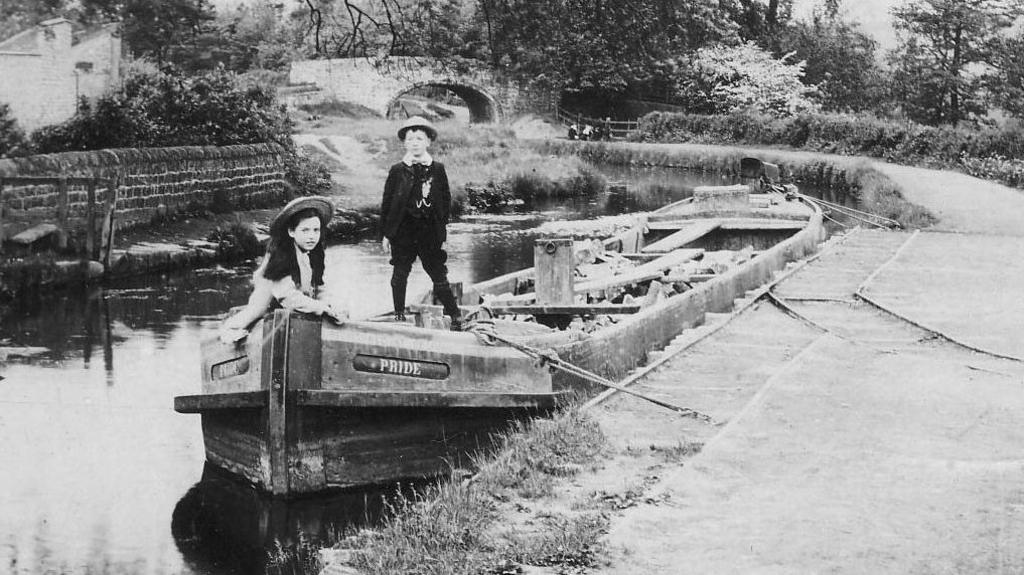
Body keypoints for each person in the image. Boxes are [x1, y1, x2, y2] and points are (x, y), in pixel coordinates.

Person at [218, 196, 347, 343]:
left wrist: (329, 304)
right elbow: (286, 295)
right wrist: (321, 308)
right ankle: (229, 330)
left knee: (337, 311)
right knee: (255, 311)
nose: (311, 237)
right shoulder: (280, 254)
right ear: (291, 232)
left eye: (316, 230)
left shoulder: (313, 253)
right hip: (270, 302)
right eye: (305, 230)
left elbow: (319, 285)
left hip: (295, 302)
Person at [380, 115, 463, 331]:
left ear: (428, 141)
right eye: (410, 139)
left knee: (438, 274)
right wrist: (387, 234)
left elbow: (445, 202)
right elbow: (387, 203)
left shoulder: (437, 169)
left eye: (419, 138)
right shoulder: (397, 170)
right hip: (403, 231)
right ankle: (398, 314)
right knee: (399, 274)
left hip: (429, 232)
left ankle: (455, 315)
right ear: (404, 143)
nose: (414, 143)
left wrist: (442, 233)